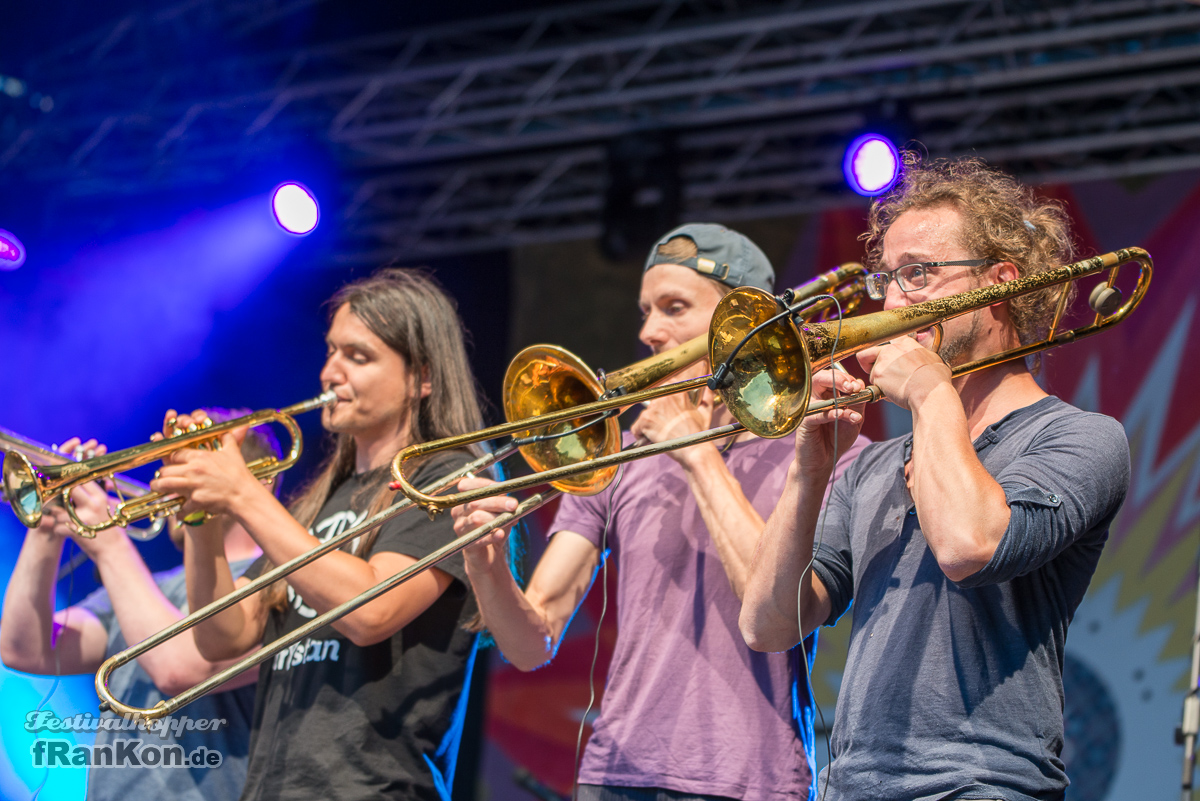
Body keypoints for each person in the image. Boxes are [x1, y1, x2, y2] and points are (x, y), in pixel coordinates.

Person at [738, 156, 1132, 801]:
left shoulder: (1080, 438)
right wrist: (810, 471)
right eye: (888, 278)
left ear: (999, 283)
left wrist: (927, 388)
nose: (893, 302)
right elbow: (769, 626)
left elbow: (969, 545)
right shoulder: (869, 465)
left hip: (981, 787)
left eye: (918, 274)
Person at [451, 223, 869, 801]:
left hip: (750, 780)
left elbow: (769, 608)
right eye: (646, 311)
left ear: (741, 325)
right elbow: (532, 642)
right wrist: (486, 565)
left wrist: (694, 453)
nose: (649, 332)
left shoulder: (824, 447)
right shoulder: (622, 454)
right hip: (615, 776)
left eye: (674, 308)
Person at [153, 268, 486, 801]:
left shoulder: (447, 476)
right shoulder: (319, 499)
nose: (330, 372)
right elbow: (224, 638)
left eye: (358, 357)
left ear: (422, 377)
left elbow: (369, 611)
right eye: (331, 351)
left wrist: (243, 493)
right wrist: (201, 522)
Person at [0, 417, 281, 801]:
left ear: (258, 476)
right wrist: (48, 523)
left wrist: (110, 546)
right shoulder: (152, 585)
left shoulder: (278, 578)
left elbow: (178, 670)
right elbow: (25, 650)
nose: (163, 482)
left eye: (190, 463)